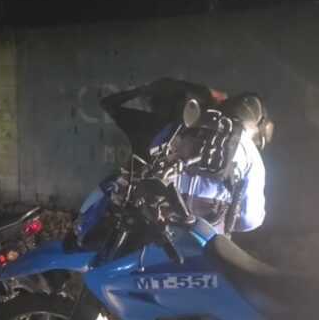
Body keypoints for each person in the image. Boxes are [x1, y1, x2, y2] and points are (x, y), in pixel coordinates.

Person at [100, 78, 270, 233]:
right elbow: (248, 220)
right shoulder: (251, 154)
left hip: (160, 229)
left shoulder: (180, 127)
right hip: (204, 240)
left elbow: (154, 160)